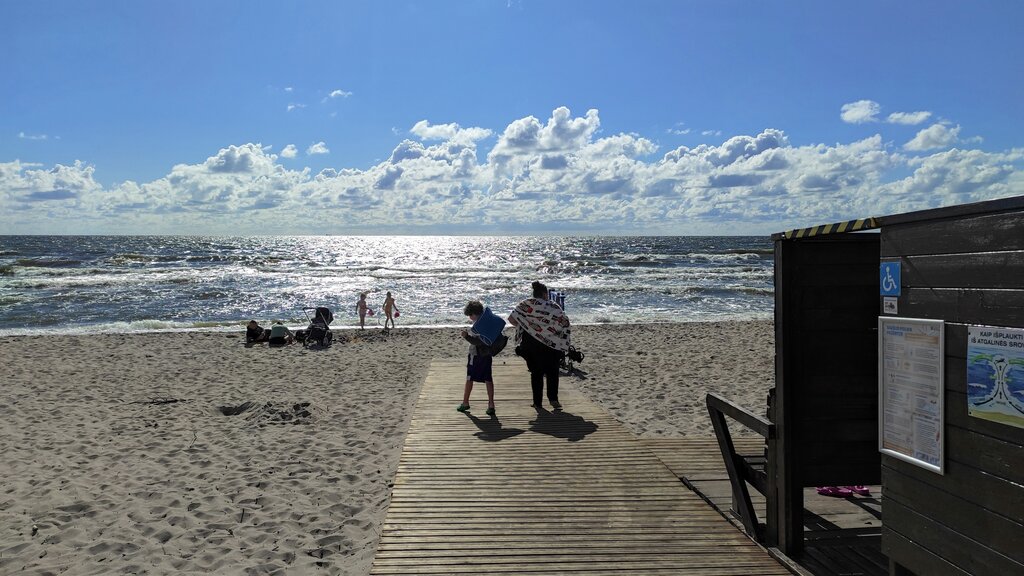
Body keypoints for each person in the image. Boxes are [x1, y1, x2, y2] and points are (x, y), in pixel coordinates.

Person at [508, 281, 570, 410]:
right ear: (544, 294)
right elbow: (564, 322)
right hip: (551, 344)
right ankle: (553, 400)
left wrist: (527, 326)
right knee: (552, 371)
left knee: (536, 373)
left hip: (531, 343)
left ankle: (537, 403)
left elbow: (512, 319)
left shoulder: (525, 304)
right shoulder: (553, 306)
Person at [458, 300, 496, 416]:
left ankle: (465, 402)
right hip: (487, 354)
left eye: (470, 315)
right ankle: (491, 404)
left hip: (476, 355)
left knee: (469, 378)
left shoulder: (477, 326)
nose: (470, 317)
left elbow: (477, 342)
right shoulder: (487, 322)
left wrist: (466, 336)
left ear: (474, 313)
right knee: (488, 379)